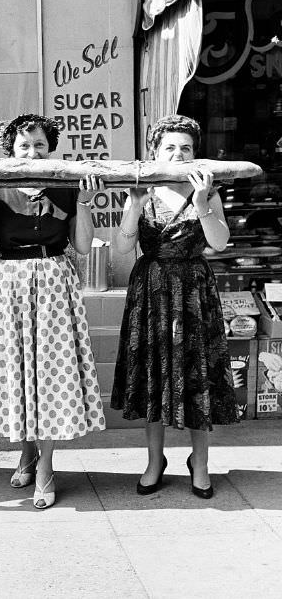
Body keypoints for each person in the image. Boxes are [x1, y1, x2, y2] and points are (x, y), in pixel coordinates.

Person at [0, 113, 106, 510]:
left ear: (51, 149)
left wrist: (83, 202)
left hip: (54, 283)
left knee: (50, 375)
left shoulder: (65, 187)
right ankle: (26, 452)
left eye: (40, 145)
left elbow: (81, 245)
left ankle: (45, 466)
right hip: (9, 282)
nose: (32, 152)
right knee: (20, 370)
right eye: (24, 146)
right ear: (10, 151)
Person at [111, 114, 239, 499]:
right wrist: (134, 208)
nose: (178, 153)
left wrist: (202, 203)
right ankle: (155, 460)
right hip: (151, 289)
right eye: (170, 147)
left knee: (197, 374)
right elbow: (121, 247)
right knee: (154, 376)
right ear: (155, 151)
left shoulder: (208, 188)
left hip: (193, 292)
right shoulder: (141, 188)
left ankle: (199, 463)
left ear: (194, 152)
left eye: (185, 147)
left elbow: (218, 243)